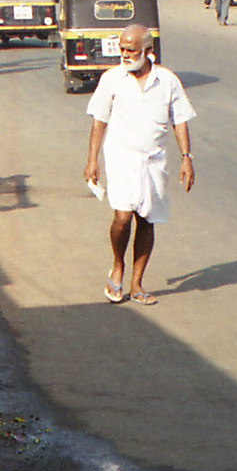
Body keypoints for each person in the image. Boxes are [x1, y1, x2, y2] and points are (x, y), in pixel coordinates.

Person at [83, 24, 195, 306]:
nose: (124, 54)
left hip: (154, 160)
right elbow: (99, 121)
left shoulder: (167, 81)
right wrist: (91, 160)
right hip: (121, 157)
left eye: (130, 50)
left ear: (148, 51)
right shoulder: (112, 79)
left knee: (147, 219)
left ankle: (136, 283)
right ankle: (118, 266)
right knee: (122, 217)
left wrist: (186, 158)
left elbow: (179, 120)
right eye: (121, 49)